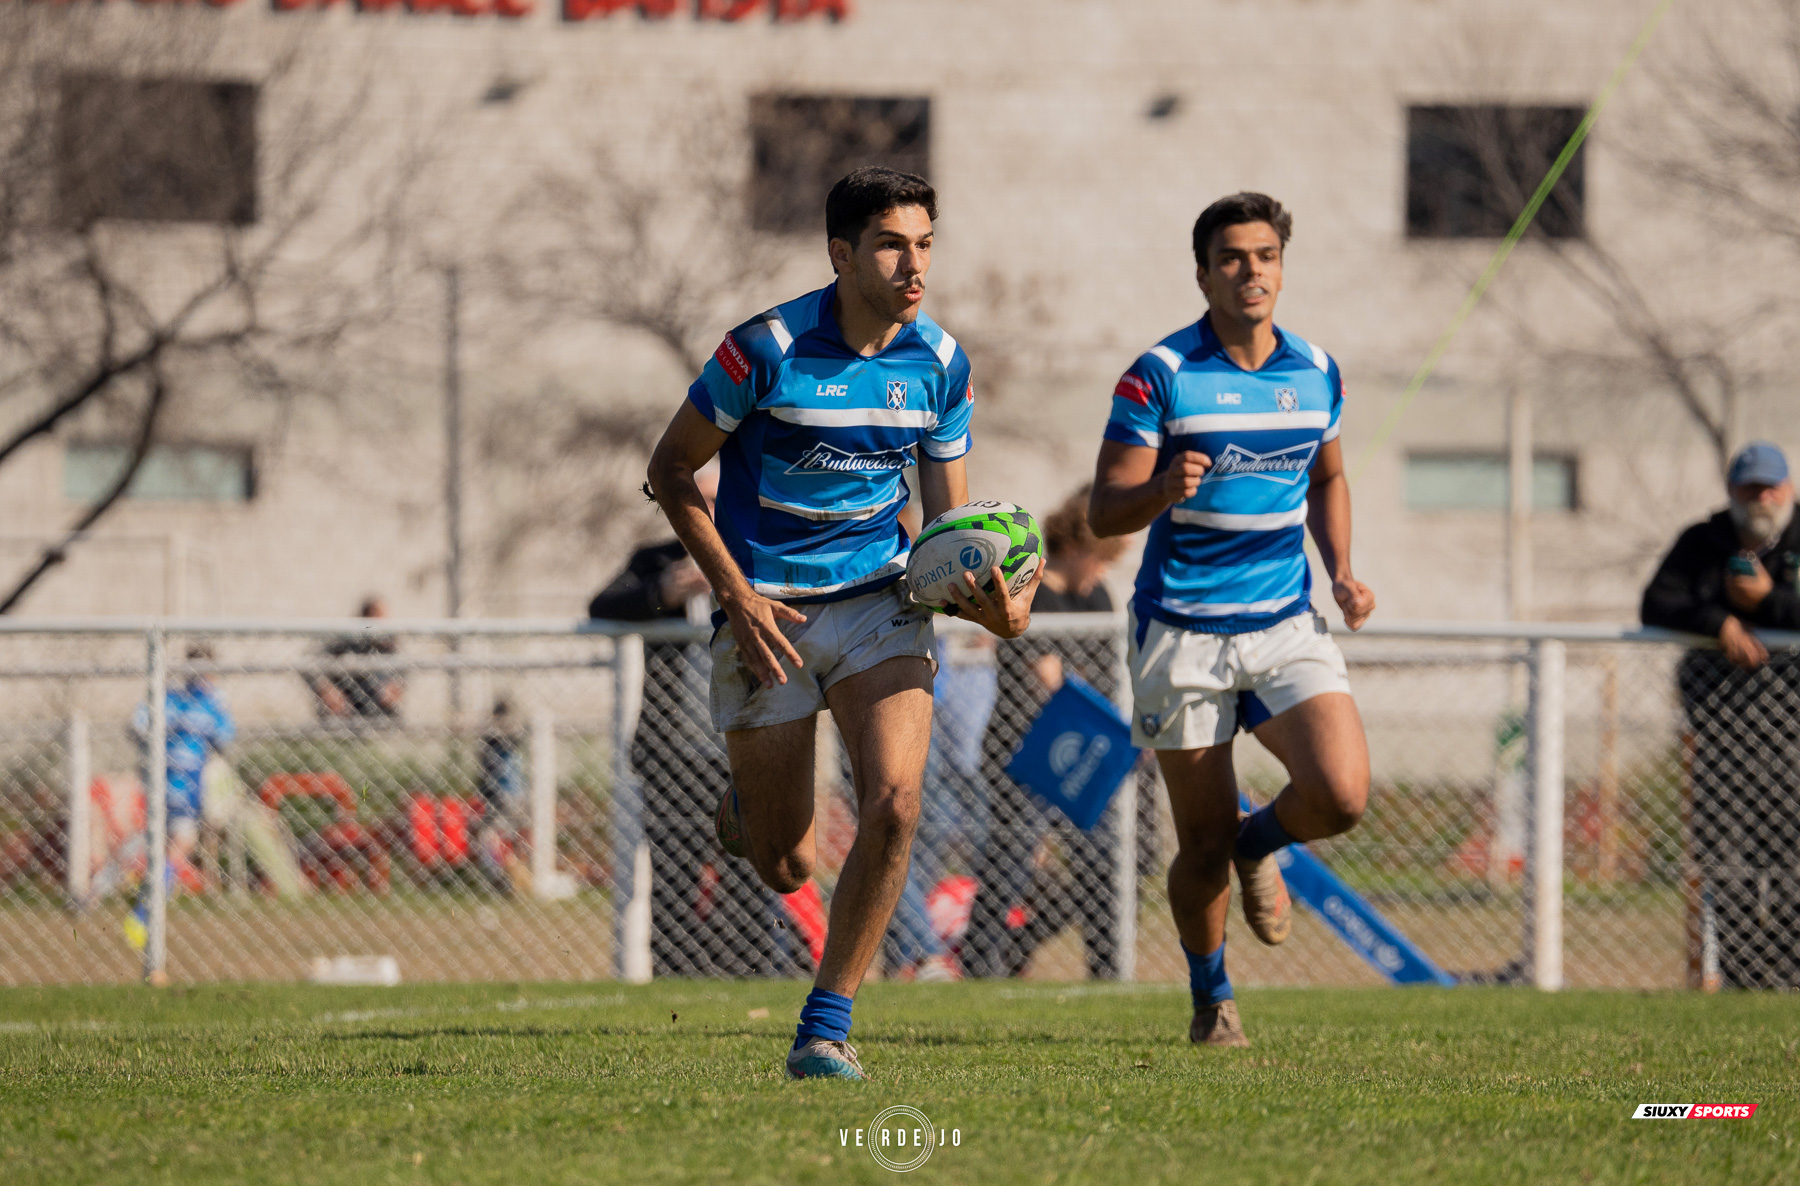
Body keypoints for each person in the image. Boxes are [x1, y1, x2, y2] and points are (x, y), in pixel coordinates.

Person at [645, 166, 1037, 1080]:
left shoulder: (939, 364)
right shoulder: (764, 350)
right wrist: (735, 597)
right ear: (841, 253)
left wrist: (1002, 605)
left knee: (896, 803)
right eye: (893, 244)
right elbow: (669, 472)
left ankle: (825, 1026)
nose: (915, 264)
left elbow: (954, 536)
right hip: (764, 614)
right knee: (784, 865)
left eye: (926, 243)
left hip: (879, 605)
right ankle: (749, 806)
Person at [1089, 192, 1375, 1046]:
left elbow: (1327, 477)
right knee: (1198, 841)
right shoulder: (1161, 374)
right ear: (1205, 272)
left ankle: (1262, 843)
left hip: (1284, 621)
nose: (1252, 272)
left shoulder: (1316, 370)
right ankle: (1213, 1000)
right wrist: (1158, 490)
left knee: (1342, 794)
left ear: (1282, 267)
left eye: (1266, 256)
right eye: (1233, 258)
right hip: (1181, 628)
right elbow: (1105, 513)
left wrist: (1345, 572)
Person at [588, 467, 805, 979]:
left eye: (716, 499)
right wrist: (663, 590)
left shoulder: (760, 554)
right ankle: (676, 979)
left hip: (744, 747)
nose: (707, 511)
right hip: (672, 753)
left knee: (751, 871)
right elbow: (601, 606)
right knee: (675, 874)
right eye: (695, 500)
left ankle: (747, 973)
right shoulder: (656, 559)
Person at [962, 485, 1145, 979]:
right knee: (1010, 863)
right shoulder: (1031, 590)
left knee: (1107, 862)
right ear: (1084, 548)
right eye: (1105, 559)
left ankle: (1105, 970)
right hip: (1022, 750)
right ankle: (980, 966)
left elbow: (1110, 674)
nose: (1106, 572)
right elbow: (1047, 678)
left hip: (1084, 747)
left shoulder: (1098, 595)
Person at [1641, 440, 1800, 987]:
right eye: (1749, 488)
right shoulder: (1703, 542)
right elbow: (1655, 602)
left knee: (1791, 870)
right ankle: (1742, 978)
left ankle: (1788, 981)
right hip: (1722, 739)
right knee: (1726, 867)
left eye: (1770, 487)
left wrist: (1768, 604)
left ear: (1789, 489)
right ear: (1731, 491)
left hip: (1794, 743)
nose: (1761, 498)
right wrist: (1721, 623)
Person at [125, 644, 235, 949]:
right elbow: (225, 739)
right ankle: (143, 913)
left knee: (161, 844)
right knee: (179, 845)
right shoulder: (205, 703)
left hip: (164, 781)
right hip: (182, 784)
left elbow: (137, 725)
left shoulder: (171, 698)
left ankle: (140, 899)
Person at [312, 597, 405, 722]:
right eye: (378, 617)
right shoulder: (346, 641)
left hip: (379, 709)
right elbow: (310, 660)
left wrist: (397, 685)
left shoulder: (389, 644)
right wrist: (325, 688)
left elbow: (405, 669)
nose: (384, 623)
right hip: (346, 704)